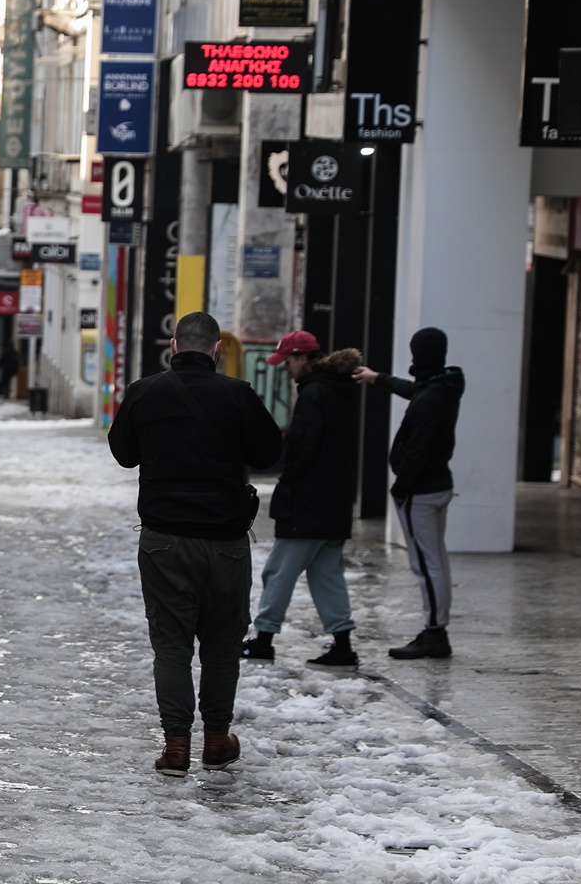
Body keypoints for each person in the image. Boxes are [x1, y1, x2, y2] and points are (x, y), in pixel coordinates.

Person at [107, 311, 284, 778]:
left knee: (171, 646)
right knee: (222, 647)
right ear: (217, 349)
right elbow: (269, 454)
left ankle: (176, 746)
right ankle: (218, 739)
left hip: (164, 540)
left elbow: (124, 455)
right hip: (225, 542)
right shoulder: (238, 395)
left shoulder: (145, 392)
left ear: (172, 346)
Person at [243, 332, 364, 668]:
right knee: (327, 575)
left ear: (303, 359)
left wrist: (289, 481)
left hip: (309, 501)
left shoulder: (314, 393)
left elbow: (302, 447)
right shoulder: (340, 390)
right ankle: (343, 644)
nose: (286, 369)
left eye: (288, 362)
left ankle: (264, 639)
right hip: (335, 501)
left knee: (279, 571)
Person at [355, 327, 464, 660]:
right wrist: (378, 378)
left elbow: (416, 451)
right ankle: (436, 629)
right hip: (437, 484)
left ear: (418, 354)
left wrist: (400, 490)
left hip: (421, 491)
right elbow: (414, 389)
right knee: (436, 561)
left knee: (426, 564)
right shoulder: (445, 385)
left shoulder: (430, 399)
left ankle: (435, 633)